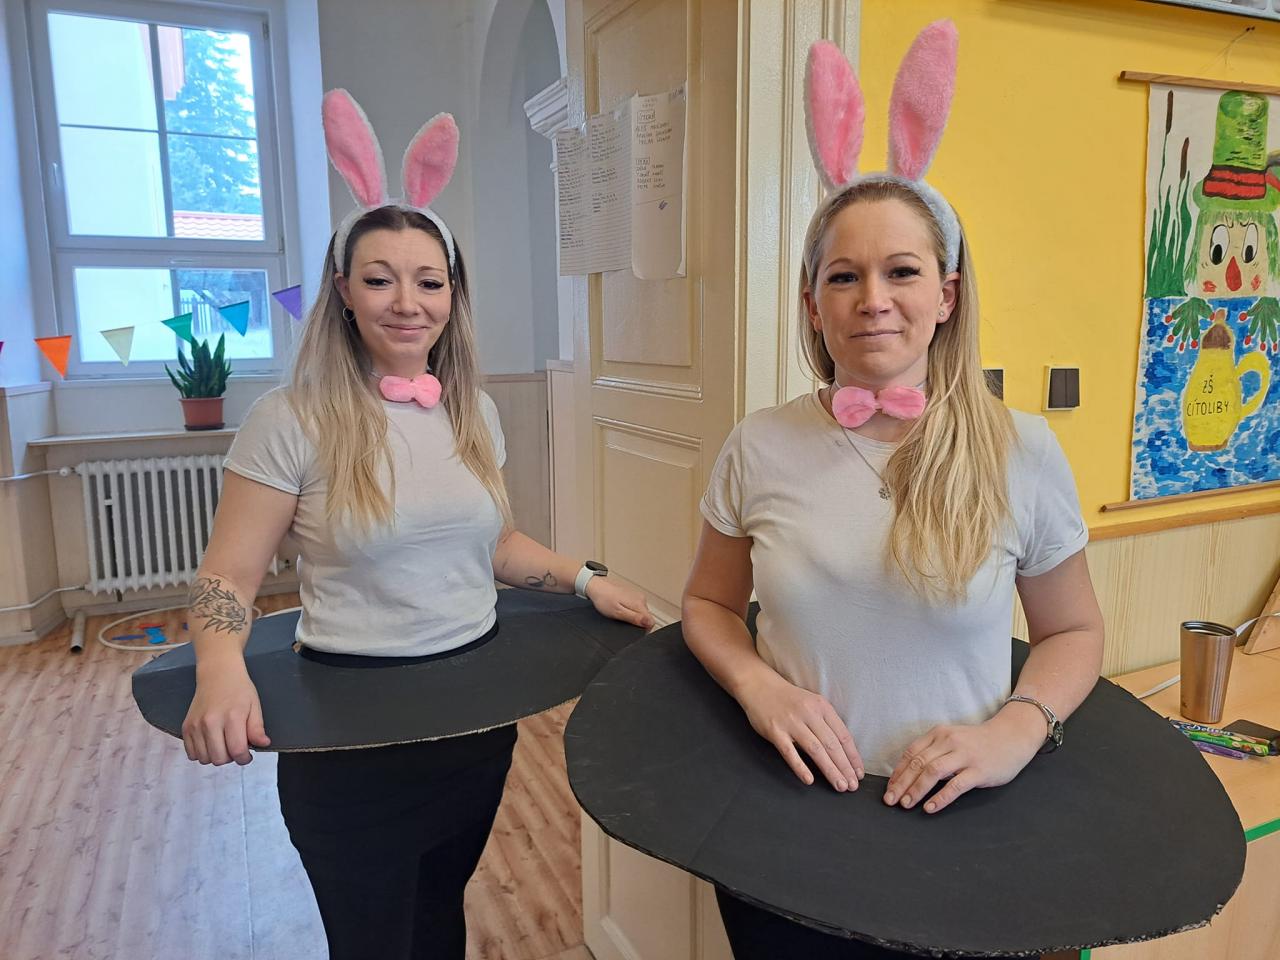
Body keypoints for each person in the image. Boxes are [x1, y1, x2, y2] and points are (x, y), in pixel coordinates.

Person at [181, 92, 652, 960]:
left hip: (474, 720)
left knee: (439, 921)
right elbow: (227, 577)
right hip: (349, 736)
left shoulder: (472, 412)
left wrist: (586, 578)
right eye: (380, 278)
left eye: (429, 281)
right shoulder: (289, 419)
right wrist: (219, 671)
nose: (408, 302)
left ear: (452, 295)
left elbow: (494, 545)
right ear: (342, 292)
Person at [681, 25, 1104, 960]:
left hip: (957, 833)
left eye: (902, 271)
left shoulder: (1023, 451)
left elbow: (1074, 632)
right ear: (813, 304)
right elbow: (707, 605)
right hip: (785, 824)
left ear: (946, 295)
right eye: (844, 276)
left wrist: (1016, 733)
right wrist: (758, 686)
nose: (873, 298)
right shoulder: (758, 445)